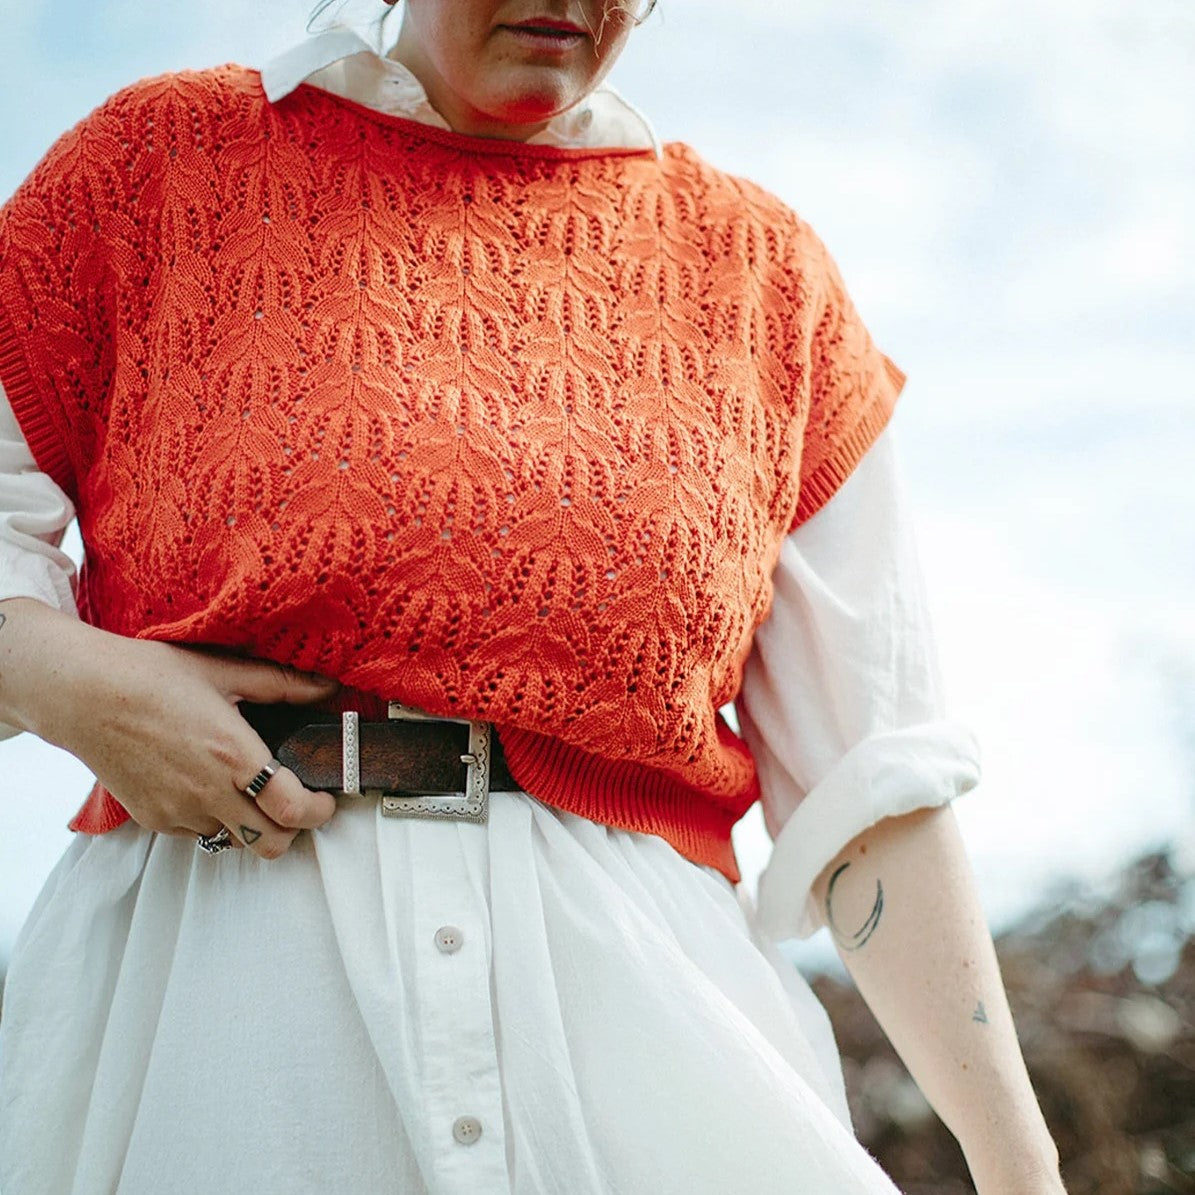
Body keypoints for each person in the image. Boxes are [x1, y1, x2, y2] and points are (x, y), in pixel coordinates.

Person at [0, 2, 1067, 1192]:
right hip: (210, 1032)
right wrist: (67, 680)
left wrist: (1020, 1172)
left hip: (663, 1059)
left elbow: (876, 779)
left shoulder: (763, 279)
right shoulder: (148, 171)